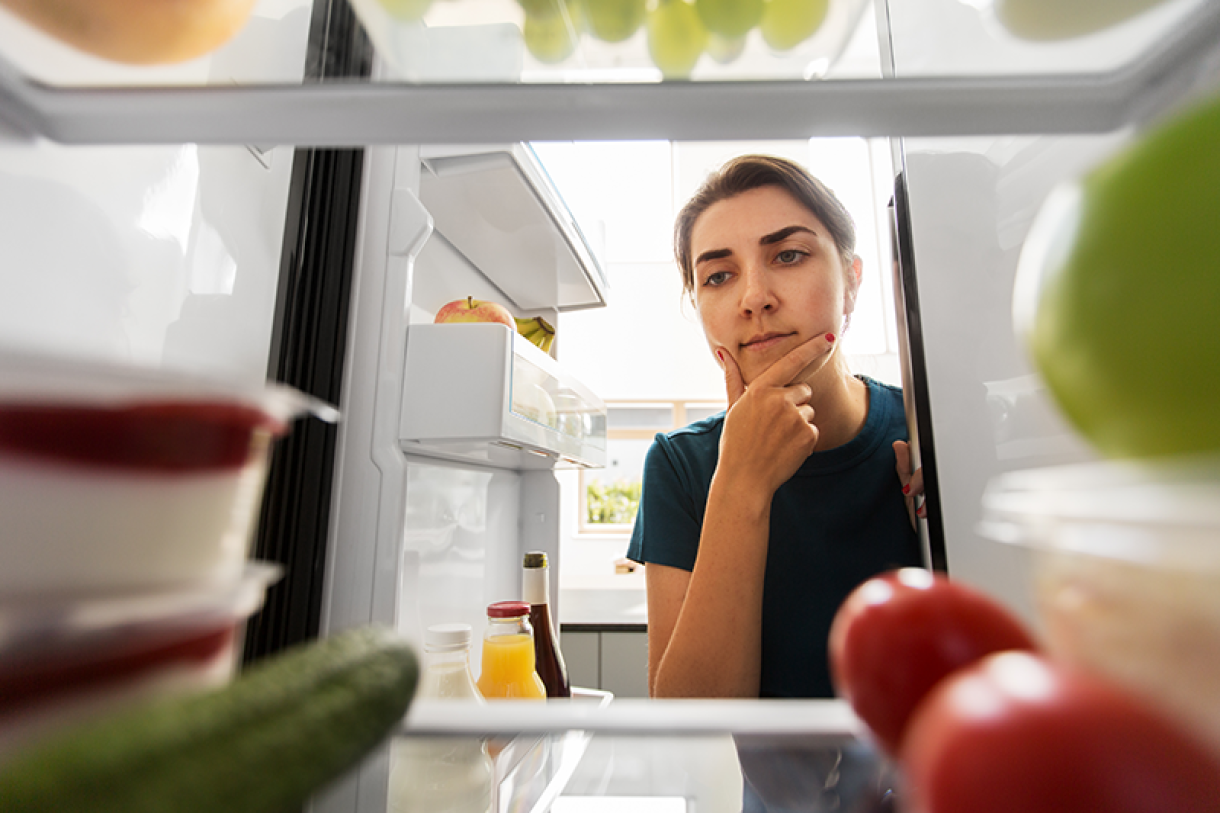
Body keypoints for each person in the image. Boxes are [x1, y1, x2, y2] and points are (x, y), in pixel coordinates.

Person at [625, 154, 926, 703]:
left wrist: (945, 547)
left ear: (852, 283)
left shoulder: (928, 430)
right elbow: (692, 725)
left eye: (788, 255)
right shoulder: (680, 464)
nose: (754, 297)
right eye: (718, 275)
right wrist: (740, 484)